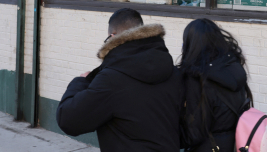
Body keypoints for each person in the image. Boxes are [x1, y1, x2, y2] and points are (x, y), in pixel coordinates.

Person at [56, 8, 182, 152]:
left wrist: (79, 81)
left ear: (112, 36)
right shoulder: (173, 72)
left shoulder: (111, 79)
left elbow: (68, 120)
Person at [179, 19, 253, 152]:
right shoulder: (233, 67)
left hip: (209, 147)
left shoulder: (197, 78)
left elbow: (195, 132)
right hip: (235, 144)